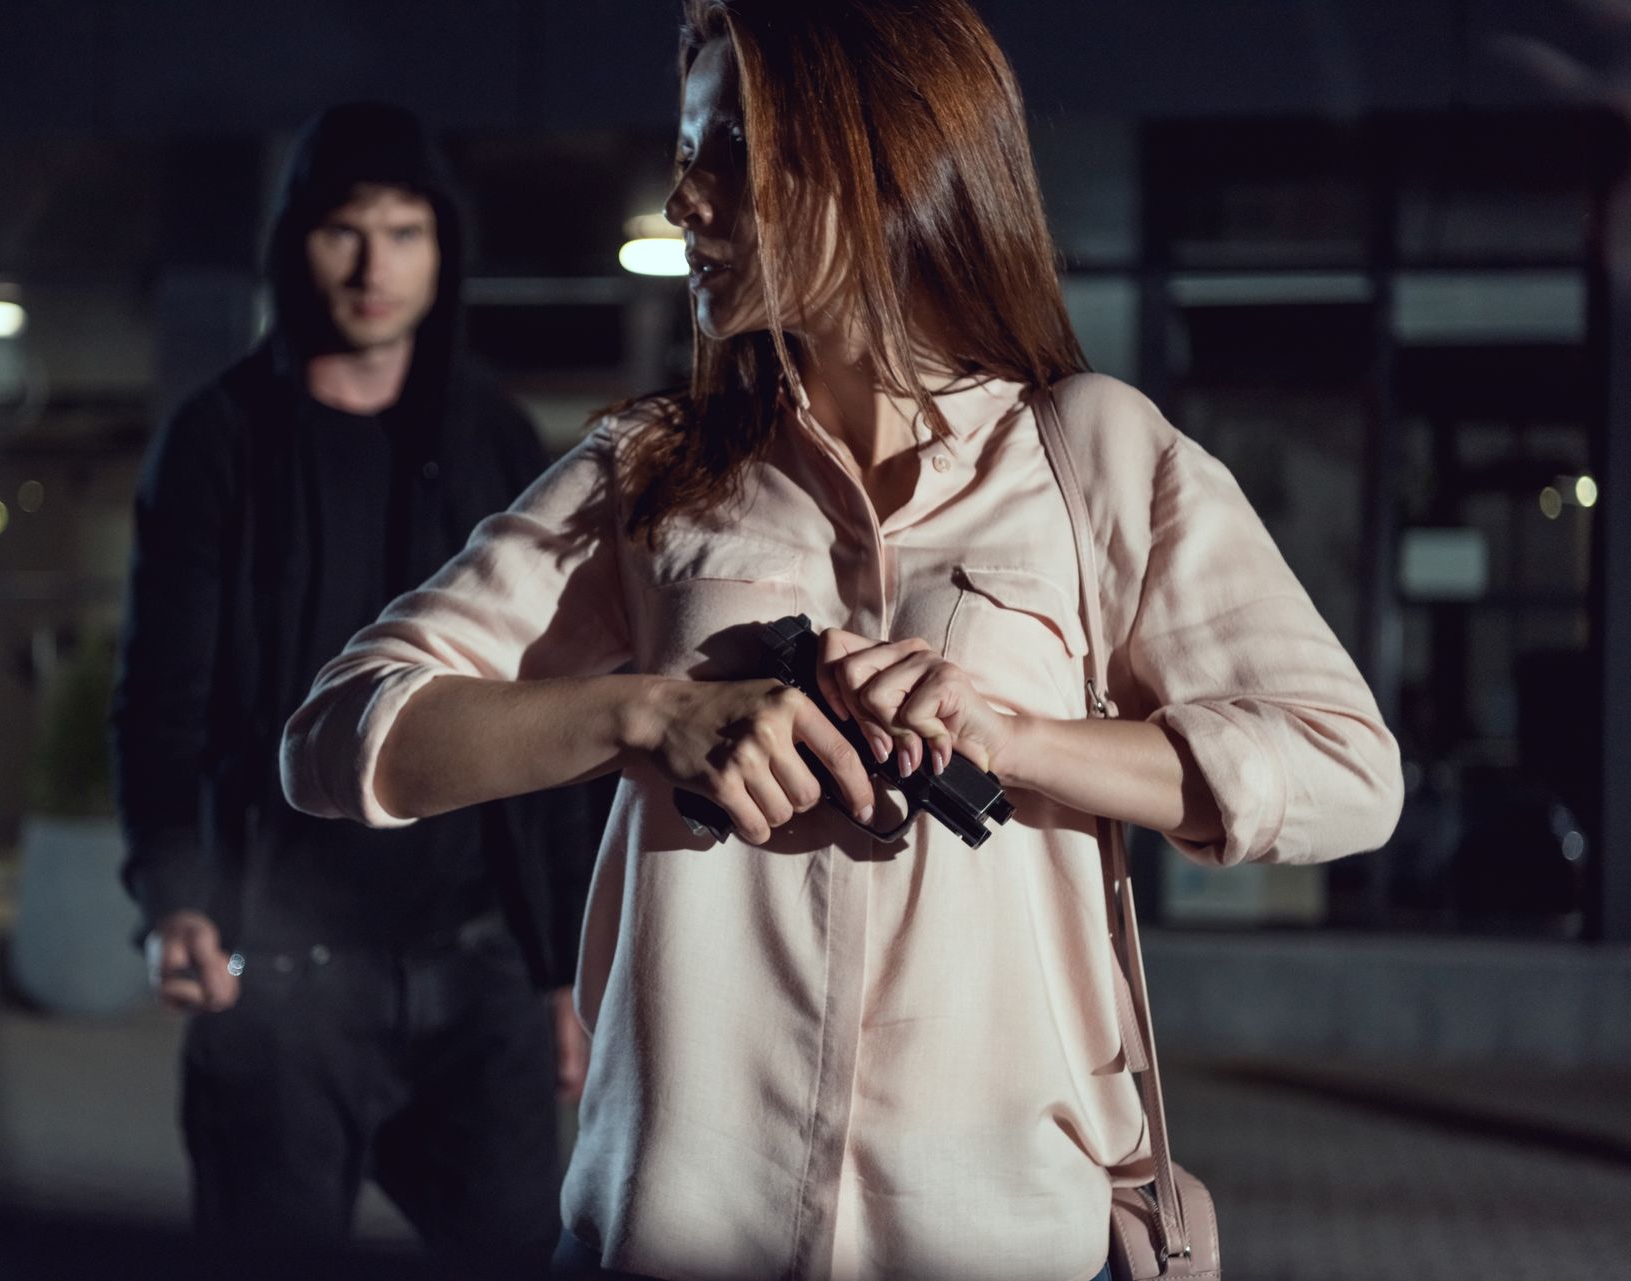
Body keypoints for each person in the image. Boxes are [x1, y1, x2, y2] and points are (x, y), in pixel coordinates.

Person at [280, 5, 1404, 1279]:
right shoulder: (651, 474)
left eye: (730, 155)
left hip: (1003, 1244)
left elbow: (1345, 776)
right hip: (677, 1236)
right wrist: (648, 718)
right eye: (688, 152)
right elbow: (331, 738)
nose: (684, 197)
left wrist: (1017, 738)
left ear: (876, 161)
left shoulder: (1092, 456)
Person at [109, 101, 591, 1273]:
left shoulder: (494, 436)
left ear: (443, 249)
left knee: (530, 1251)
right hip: (280, 973)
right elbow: (163, 692)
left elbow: (554, 702)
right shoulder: (222, 435)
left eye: (405, 231)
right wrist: (176, 892)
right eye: (345, 230)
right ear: (297, 242)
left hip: (476, 968)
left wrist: (566, 969)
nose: (375, 266)